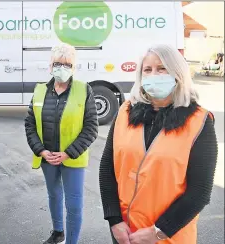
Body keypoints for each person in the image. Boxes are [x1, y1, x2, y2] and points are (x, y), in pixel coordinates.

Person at [99, 44, 218, 244]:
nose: (154, 75)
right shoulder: (126, 112)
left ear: (177, 73)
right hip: (125, 233)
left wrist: (158, 232)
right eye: (148, 70)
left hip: (169, 236)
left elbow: (199, 192)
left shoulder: (200, 121)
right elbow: (107, 168)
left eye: (162, 69)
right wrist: (114, 220)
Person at [25, 43, 99, 244]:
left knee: (74, 204)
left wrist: (68, 153)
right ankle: (58, 232)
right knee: (54, 195)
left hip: (72, 159)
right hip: (47, 158)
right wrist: (40, 151)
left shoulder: (84, 90)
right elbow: (30, 124)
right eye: (57, 63)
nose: (61, 68)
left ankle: (72, 241)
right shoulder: (40, 90)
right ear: (50, 65)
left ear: (73, 67)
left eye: (67, 64)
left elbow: (91, 127)